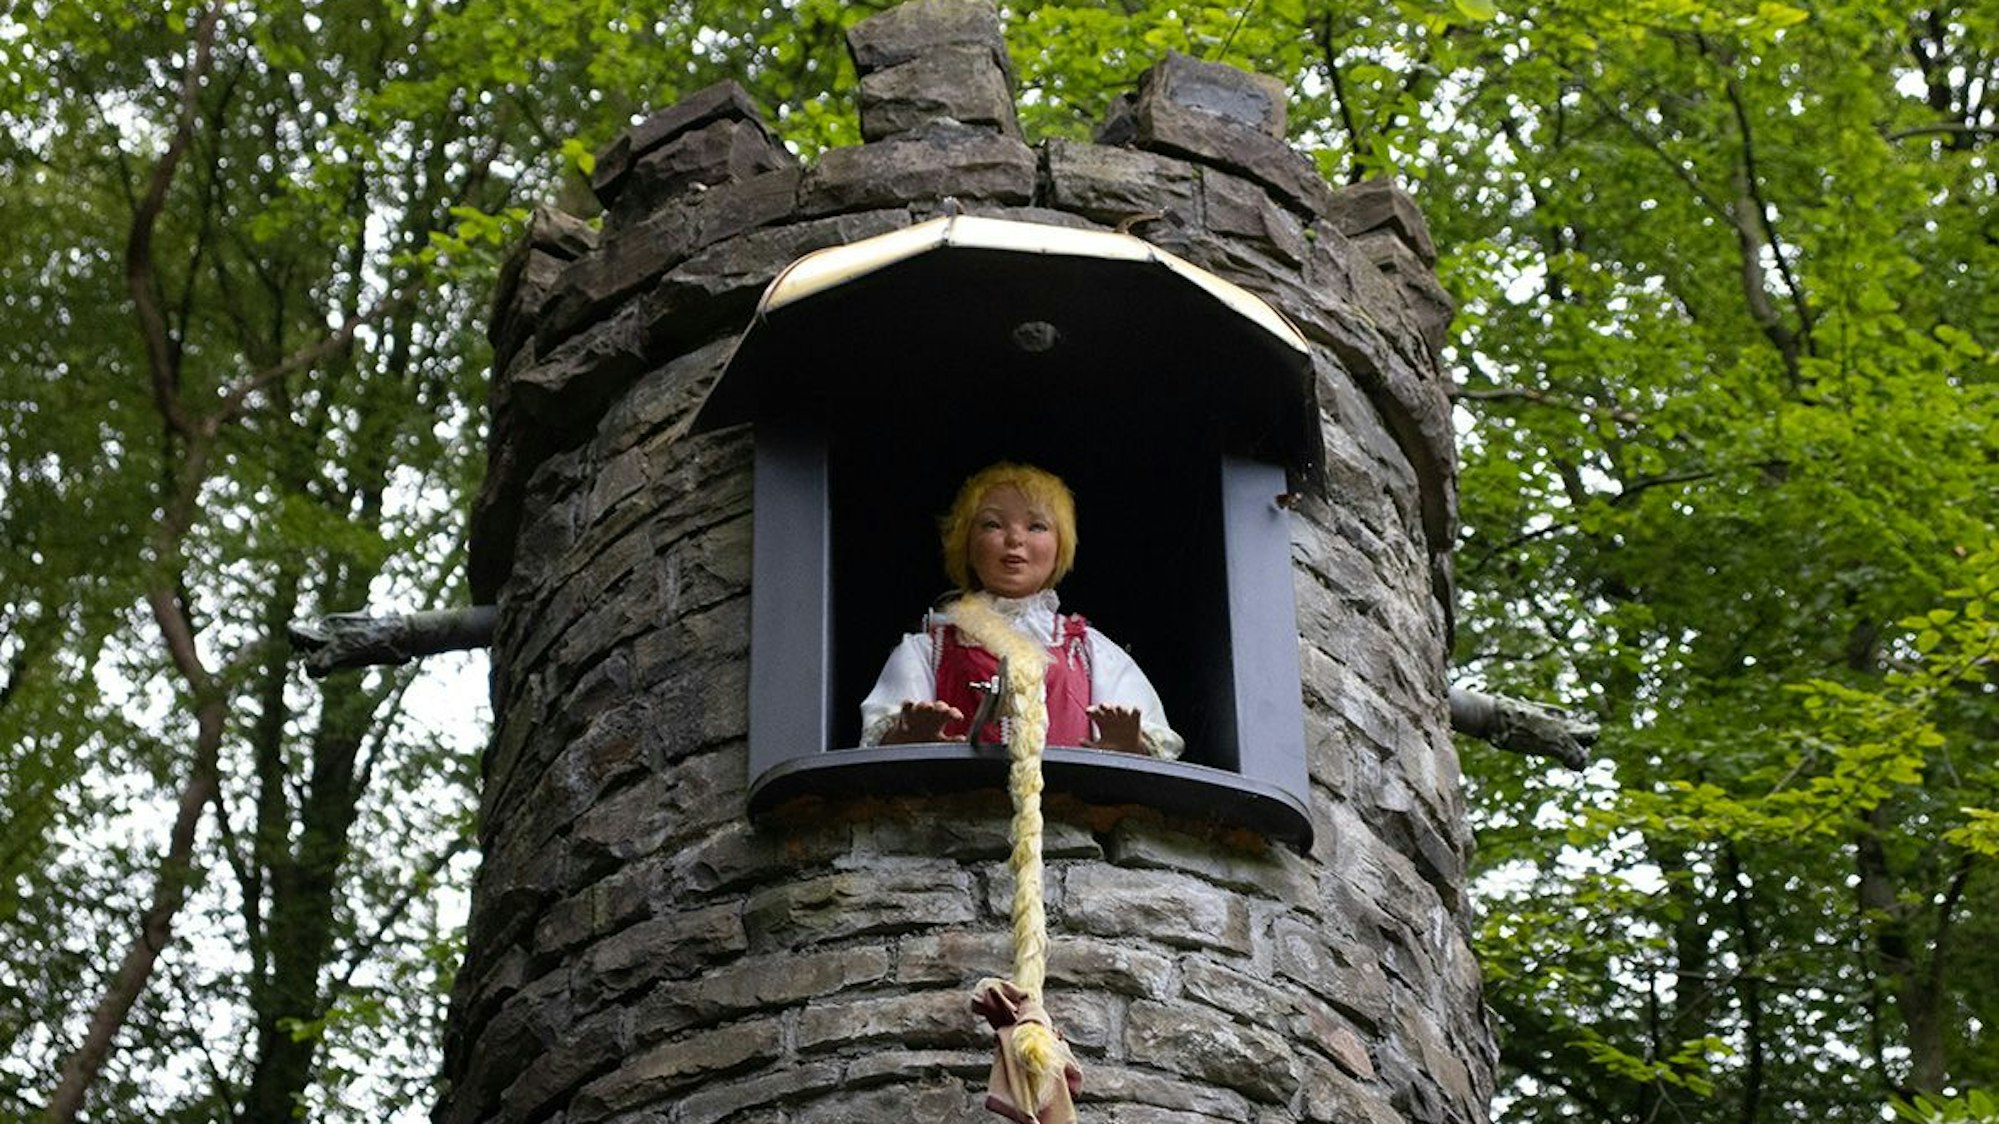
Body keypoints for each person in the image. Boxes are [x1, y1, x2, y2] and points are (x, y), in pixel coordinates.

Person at [859, 462, 1183, 759]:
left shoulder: (1090, 650)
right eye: (992, 524)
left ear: (1060, 549)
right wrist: (906, 737)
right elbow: (883, 741)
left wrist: (1130, 745)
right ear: (967, 546)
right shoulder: (929, 650)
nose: (1015, 538)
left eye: (1037, 526)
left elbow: (1151, 745)